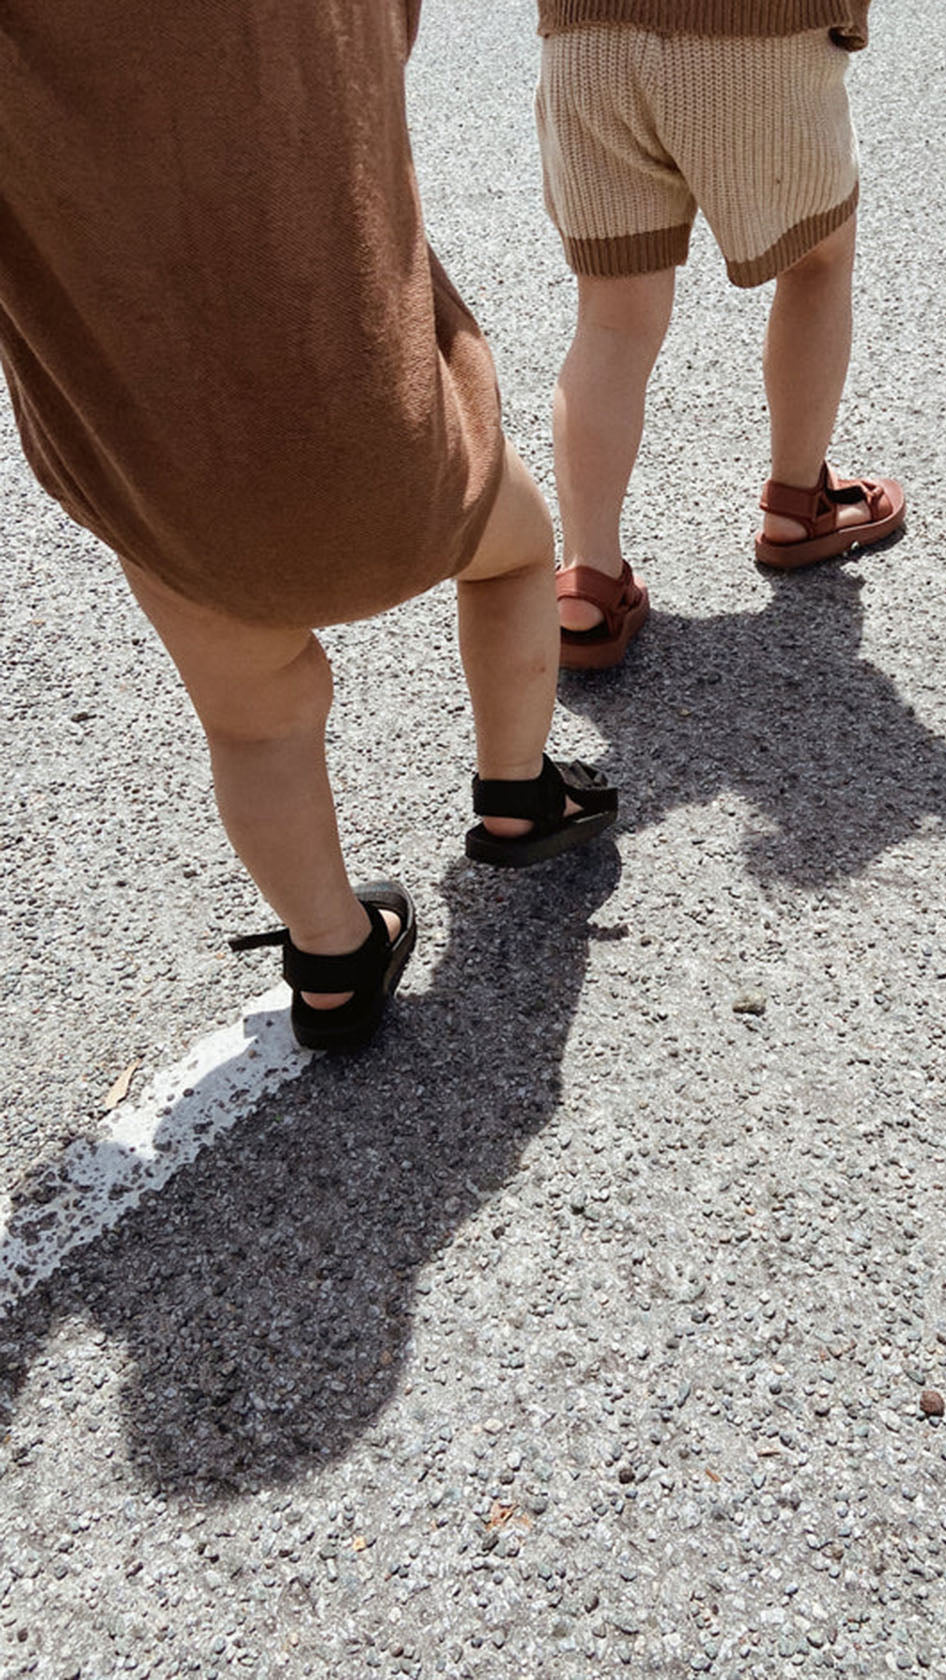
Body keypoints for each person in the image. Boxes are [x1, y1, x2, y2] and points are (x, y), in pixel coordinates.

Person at [0, 0, 616, 1054]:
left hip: (165, 475)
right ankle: (519, 792)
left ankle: (332, 956)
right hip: (381, 423)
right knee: (515, 555)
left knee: (256, 722)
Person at [535, 0, 906, 669]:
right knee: (818, 261)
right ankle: (798, 505)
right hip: (752, 33)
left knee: (611, 317)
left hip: (586, 40)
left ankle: (586, 579)